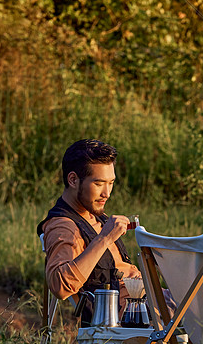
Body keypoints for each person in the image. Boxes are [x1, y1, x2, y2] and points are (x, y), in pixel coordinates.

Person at [36, 139, 140, 326]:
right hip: (127, 315)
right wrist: (105, 239)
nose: (107, 193)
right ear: (73, 180)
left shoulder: (93, 214)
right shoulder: (63, 226)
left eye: (111, 183)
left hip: (144, 299)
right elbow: (60, 285)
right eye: (99, 183)